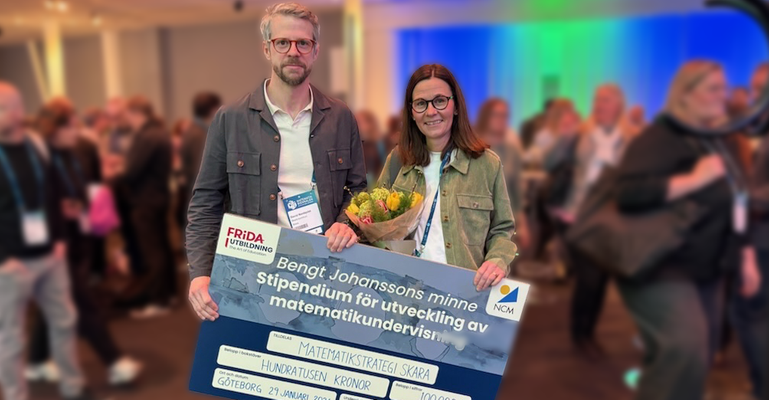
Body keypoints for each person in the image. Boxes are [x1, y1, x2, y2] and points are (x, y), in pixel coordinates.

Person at [186, 2, 367, 322]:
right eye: (282, 42)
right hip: (252, 276)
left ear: (316, 50)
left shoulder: (340, 117)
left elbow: (357, 189)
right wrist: (200, 272)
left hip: (324, 274)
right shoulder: (231, 119)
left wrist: (346, 222)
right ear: (267, 49)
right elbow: (206, 202)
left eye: (303, 43)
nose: (293, 51)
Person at [613, 60, 761, 400]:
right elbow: (628, 192)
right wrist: (693, 180)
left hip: (708, 266)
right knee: (684, 351)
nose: (722, 96)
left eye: (724, 88)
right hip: (663, 263)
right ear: (685, 94)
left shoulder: (719, 139)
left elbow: (738, 199)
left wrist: (747, 254)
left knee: (699, 356)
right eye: (713, 89)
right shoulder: (661, 137)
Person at [26, 100, 142, 386]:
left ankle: (35, 361)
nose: (75, 130)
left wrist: (80, 205)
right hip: (54, 244)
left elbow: (80, 187)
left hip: (78, 238)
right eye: (70, 126)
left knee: (57, 301)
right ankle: (115, 362)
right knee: (83, 302)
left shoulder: (70, 154)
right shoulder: (37, 159)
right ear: (54, 128)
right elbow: (30, 202)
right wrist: (57, 211)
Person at [0, 82, 102, 400]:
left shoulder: (35, 146)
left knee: (64, 323)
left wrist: (59, 239)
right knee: (11, 337)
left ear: (17, 111)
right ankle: (15, 395)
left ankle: (73, 387)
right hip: (11, 264)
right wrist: (4, 259)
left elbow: (52, 191)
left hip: (50, 255)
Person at [377, 64, 517, 290]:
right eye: (421, 104)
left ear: (456, 106)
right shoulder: (398, 160)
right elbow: (376, 224)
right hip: (406, 292)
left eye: (440, 100)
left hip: (464, 294)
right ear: (411, 112)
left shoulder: (487, 164)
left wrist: (497, 260)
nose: (431, 112)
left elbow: (502, 229)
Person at [546, 84, 638, 356]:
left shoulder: (630, 139)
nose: (600, 105)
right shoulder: (580, 134)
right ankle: (580, 333)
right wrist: (563, 139)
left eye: (606, 100)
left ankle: (587, 333)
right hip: (577, 216)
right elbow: (550, 164)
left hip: (611, 220)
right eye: (597, 100)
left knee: (601, 279)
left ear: (618, 104)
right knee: (589, 277)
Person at [728, 62, 769, 400]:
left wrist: (740, 196)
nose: (757, 96)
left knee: (750, 313)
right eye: (755, 89)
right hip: (755, 232)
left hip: (761, 235)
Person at [115, 95, 176, 318]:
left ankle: (159, 300)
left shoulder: (147, 136)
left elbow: (131, 171)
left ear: (135, 113)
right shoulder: (158, 132)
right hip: (157, 197)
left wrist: (118, 171)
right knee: (162, 248)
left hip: (146, 200)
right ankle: (168, 294)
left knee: (153, 251)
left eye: (126, 114)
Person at [475, 98, 531, 252]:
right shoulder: (472, 147)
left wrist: (523, 225)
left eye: (505, 116)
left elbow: (517, 192)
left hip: (504, 221)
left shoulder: (512, 149)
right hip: (476, 220)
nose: (501, 120)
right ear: (486, 116)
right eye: (496, 115)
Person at [179, 92, 222, 231]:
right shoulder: (200, 134)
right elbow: (204, 171)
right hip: (203, 198)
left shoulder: (194, 130)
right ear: (213, 109)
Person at [355, 110, 387, 187]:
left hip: (379, 186)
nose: (356, 125)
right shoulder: (357, 145)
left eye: (359, 122)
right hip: (362, 186)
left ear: (370, 124)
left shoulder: (382, 143)